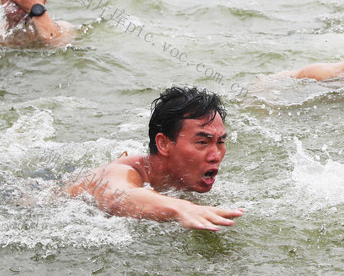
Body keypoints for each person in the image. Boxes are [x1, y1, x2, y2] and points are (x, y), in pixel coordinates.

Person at [66, 86, 244, 231]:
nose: (215, 156)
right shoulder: (124, 171)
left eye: (220, 142)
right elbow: (115, 197)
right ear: (164, 144)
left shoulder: (180, 181)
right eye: (202, 142)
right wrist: (183, 208)